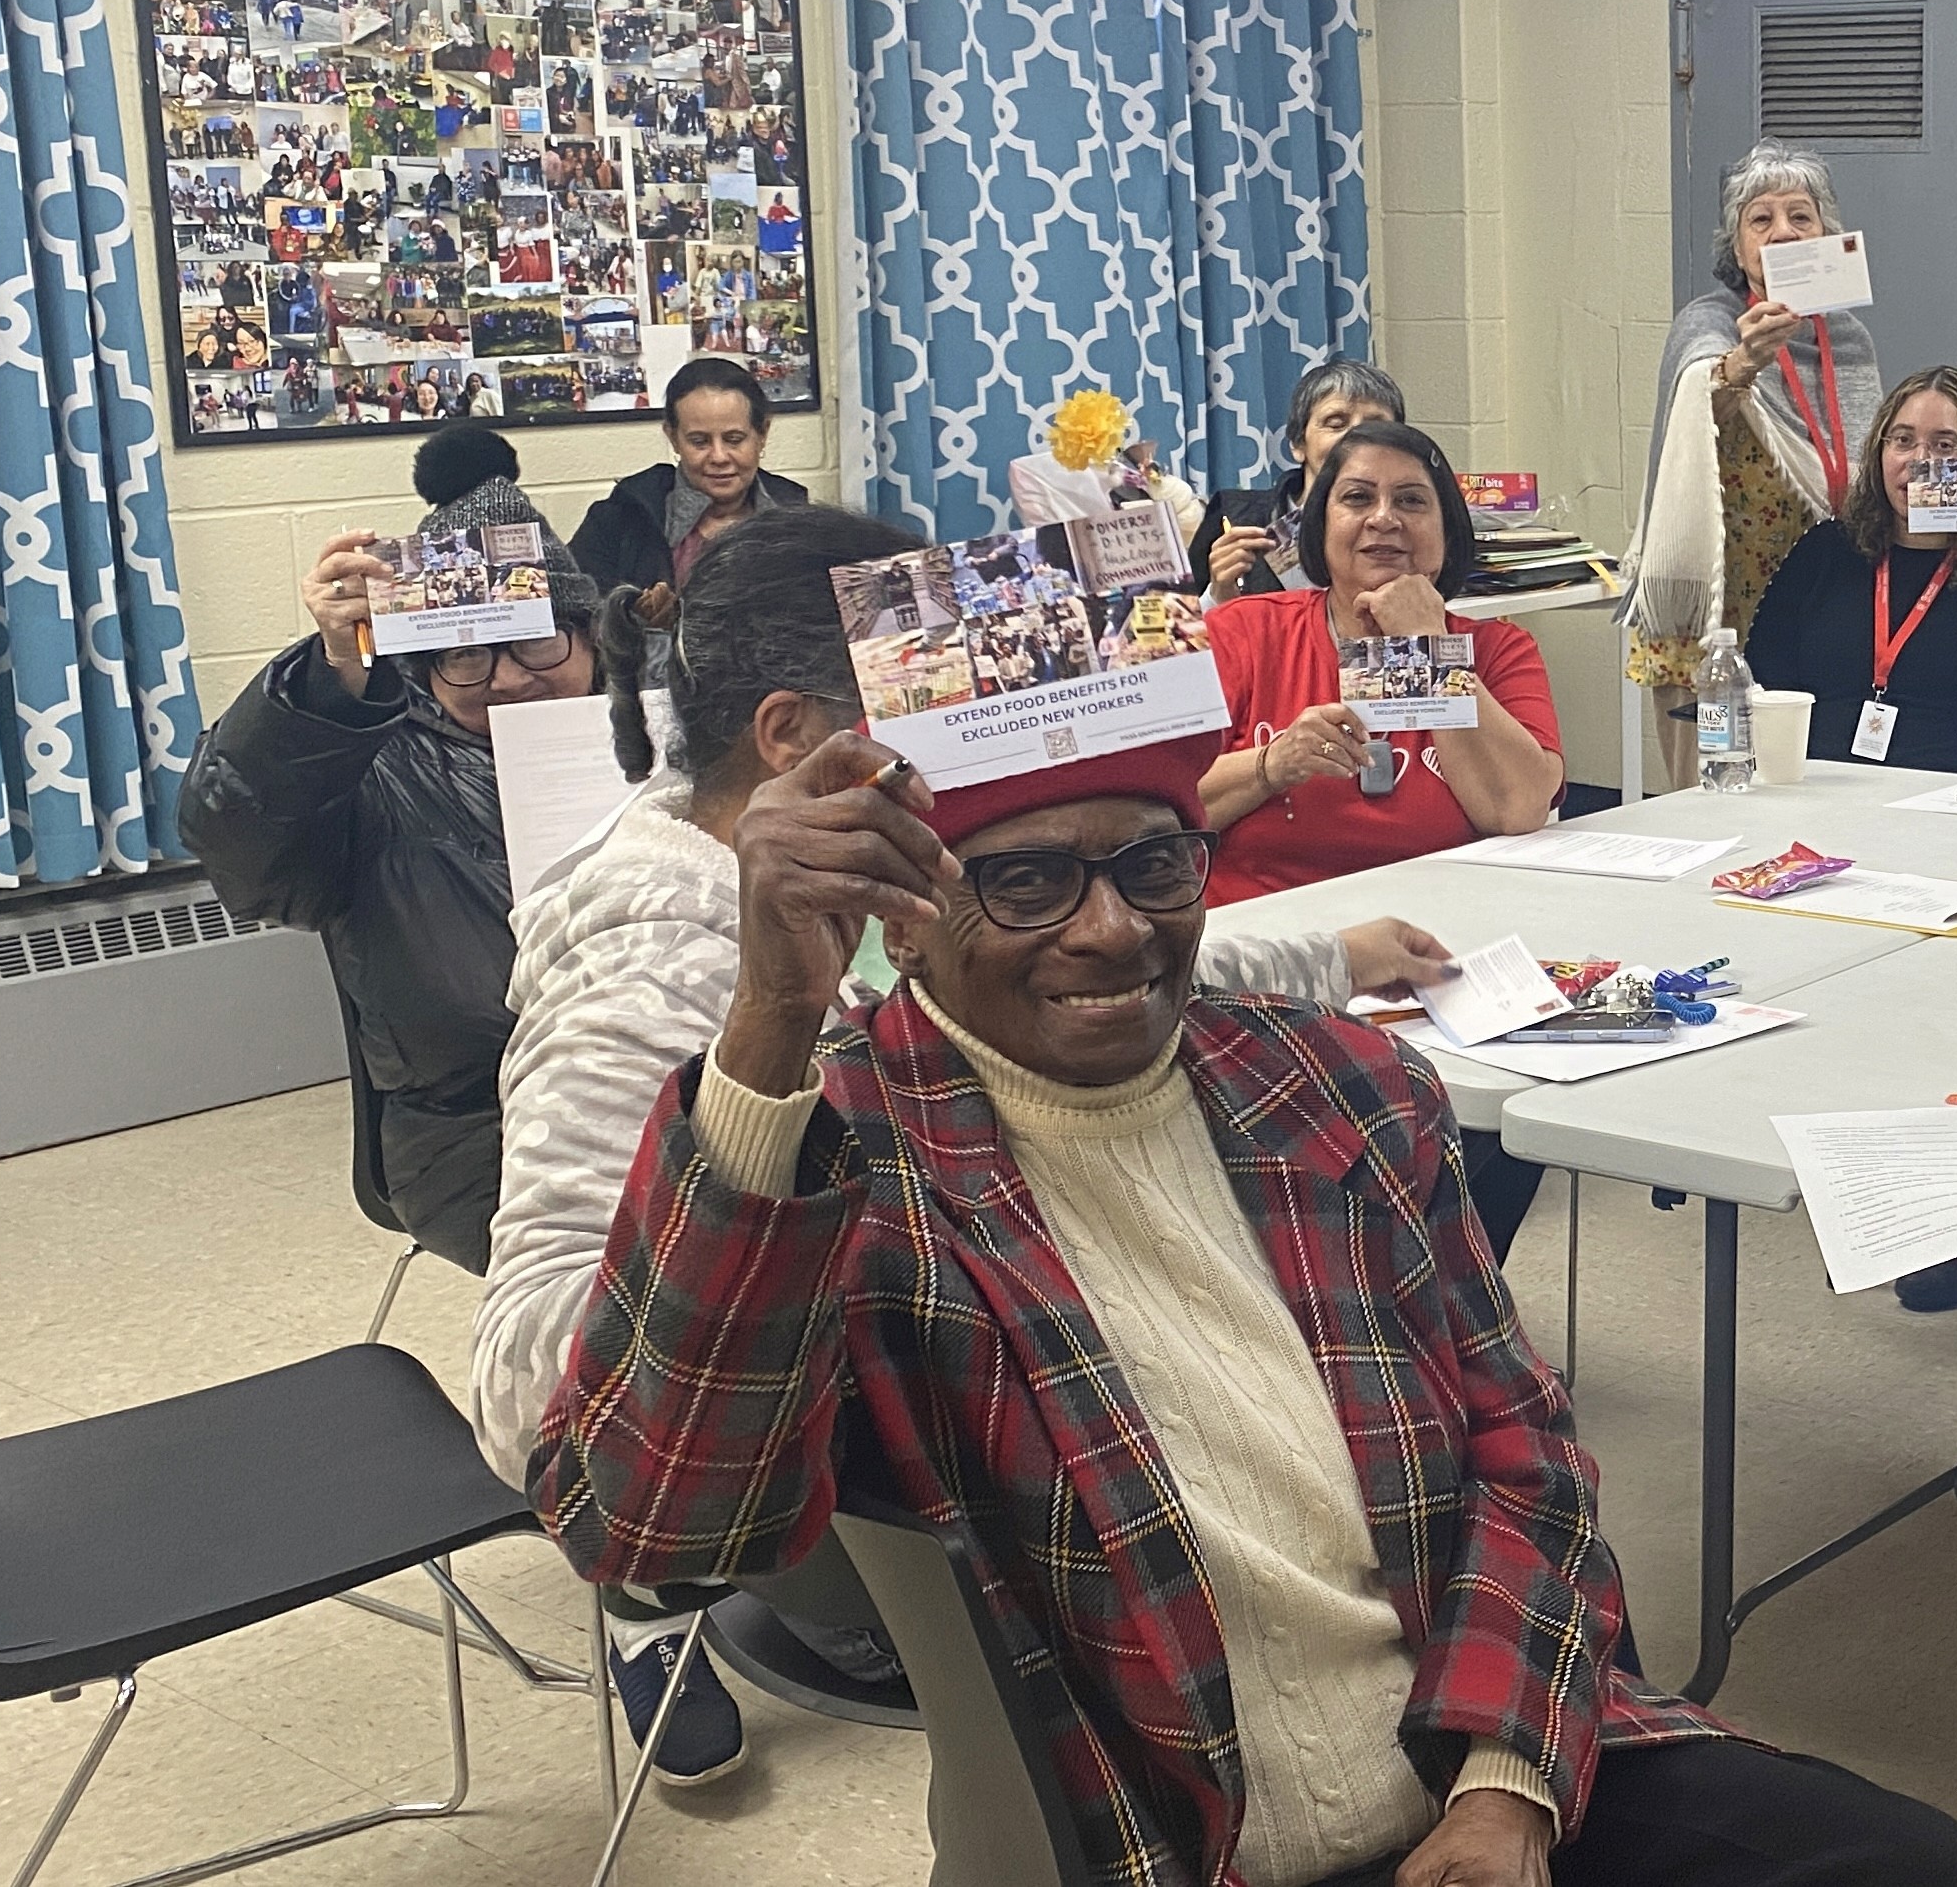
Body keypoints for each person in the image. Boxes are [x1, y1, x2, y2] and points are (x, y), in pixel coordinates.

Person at [532, 733, 1957, 1887]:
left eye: (1153, 866)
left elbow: (1524, 1455)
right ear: (902, 927)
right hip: (1179, 1833)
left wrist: (1506, 1785)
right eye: (1026, 882)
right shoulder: (846, 1160)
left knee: (1910, 1866)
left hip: (1487, 1761)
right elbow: (653, 1539)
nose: (1111, 930)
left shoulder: (1339, 1084)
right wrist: (770, 1029)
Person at [478, 507, 1463, 1782]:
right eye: (932, 711)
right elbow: (533, 1406)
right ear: (795, 741)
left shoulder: (891, 887)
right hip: (865, 1511)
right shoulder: (656, 968)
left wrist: (1322, 955)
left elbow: (1040, 938)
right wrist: (764, 1141)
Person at [178, 464, 605, 1274]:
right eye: (466, 657)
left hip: (687, 1080)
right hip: (481, 1124)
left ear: (589, 637)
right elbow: (239, 840)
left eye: (539, 641)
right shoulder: (371, 766)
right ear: (423, 667)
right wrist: (329, 682)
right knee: (684, 1256)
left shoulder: (662, 738)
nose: (510, 678)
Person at [1199, 418, 1564, 906]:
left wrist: (1429, 645)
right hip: (1262, 932)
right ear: (1321, 524)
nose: (1384, 518)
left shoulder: (1500, 649)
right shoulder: (1243, 630)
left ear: (1448, 532)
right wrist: (1272, 763)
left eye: (1411, 501)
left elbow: (1519, 809)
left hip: (1439, 926)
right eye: (1357, 498)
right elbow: (1159, 806)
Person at [1624, 144, 1884, 762]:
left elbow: (1868, 456)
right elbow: (1692, 423)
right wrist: (1744, 363)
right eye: (1761, 219)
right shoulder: (1708, 323)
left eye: (1801, 215)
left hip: (1818, 592)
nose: (1783, 231)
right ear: (1737, 248)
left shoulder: (1848, 336)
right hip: (1720, 597)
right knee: (1710, 784)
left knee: (1808, 772)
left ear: (1825, 234)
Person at [1744, 366, 1957, 773]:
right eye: (1902, 440)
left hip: (1955, 786)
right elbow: (1765, 674)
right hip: (1824, 778)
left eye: (1944, 445)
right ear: (1879, 452)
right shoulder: (1826, 550)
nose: (1920, 460)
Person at [570, 354, 804, 600]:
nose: (719, 457)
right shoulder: (621, 518)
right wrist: (630, 615)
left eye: (734, 440)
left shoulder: (797, 520)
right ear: (673, 438)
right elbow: (574, 608)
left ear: (762, 434)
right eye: (699, 442)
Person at [1206, 356, 1409, 599]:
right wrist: (1219, 595)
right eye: (1336, 424)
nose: (1356, 436)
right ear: (1298, 444)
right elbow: (1181, 619)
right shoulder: (1234, 517)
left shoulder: (1414, 523)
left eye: (1375, 426)